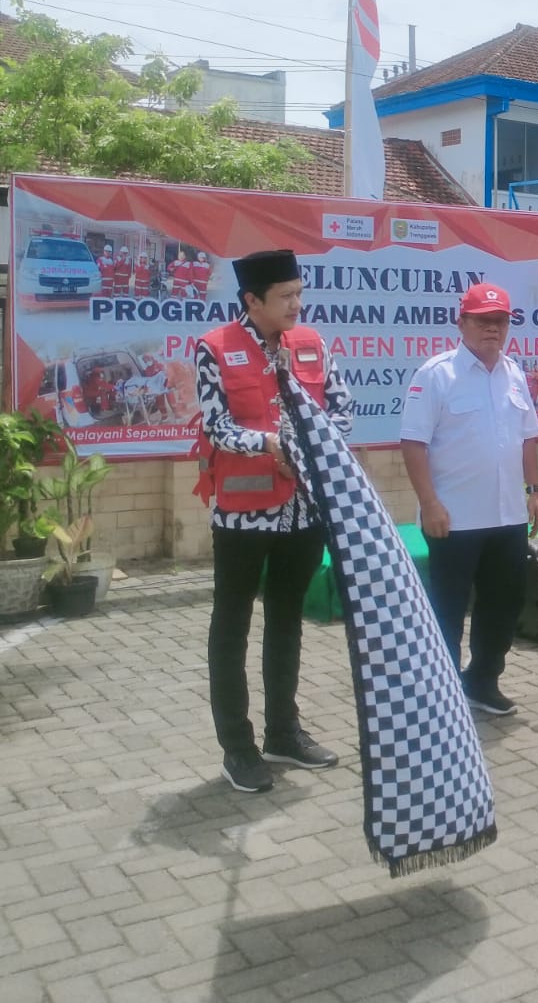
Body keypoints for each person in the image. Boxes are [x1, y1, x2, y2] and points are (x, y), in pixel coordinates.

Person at [195, 249, 354, 793]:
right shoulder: (214, 349)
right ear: (252, 300)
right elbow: (215, 427)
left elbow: (342, 410)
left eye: (299, 293)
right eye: (285, 297)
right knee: (232, 627)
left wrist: (311, 446)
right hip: (242, 516)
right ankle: (236, 748)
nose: (296, 304)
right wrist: (268, 443)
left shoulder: (311, 343)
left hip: (302, 512)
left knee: (286, 622)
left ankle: (283, 733)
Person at [399, 282, 538, 717]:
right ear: (461, 323)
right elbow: (413, 443)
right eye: (483, 321)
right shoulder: (436, 375)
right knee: (447, 609)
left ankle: (482, 681)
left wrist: (534, 492)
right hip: (455, 518)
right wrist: (429, 503)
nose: (493, 330)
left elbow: (528, 438)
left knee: (503, 605)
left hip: (507, 516)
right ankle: (439, 696)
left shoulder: (514, 373)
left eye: (500, 322)